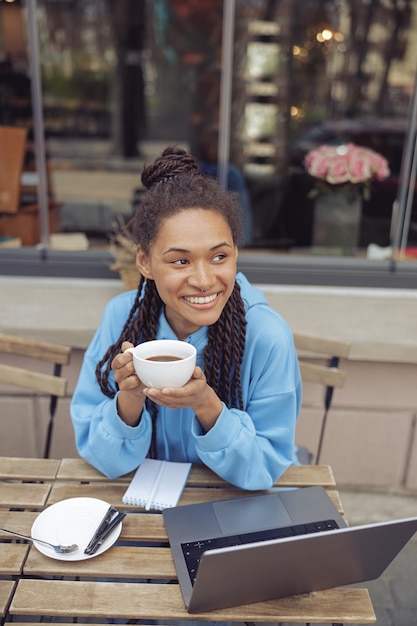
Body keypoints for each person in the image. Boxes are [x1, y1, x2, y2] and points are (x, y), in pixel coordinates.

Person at [70, 146, 302, 490]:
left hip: (231, 508)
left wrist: (206, 404)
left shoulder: (267, 336)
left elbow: (265, 469)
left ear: (236, 253)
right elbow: (101, 457)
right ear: (144, 261)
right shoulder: (122, 317)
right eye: (180, 261)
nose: (205, 280)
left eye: (219, 256)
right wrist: (129, 399)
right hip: (143, 507)